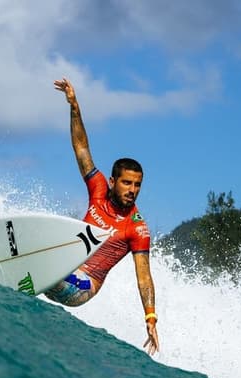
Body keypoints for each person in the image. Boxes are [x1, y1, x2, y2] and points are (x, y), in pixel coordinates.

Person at [45, 78, 160, 356]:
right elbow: (81, 148)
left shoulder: (138, 229)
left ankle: (40, 269)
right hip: (65, 263)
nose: (132, 190)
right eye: (127, 183)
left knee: (55, 270)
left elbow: (144, 276)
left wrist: (151, 318)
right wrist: (74, 106)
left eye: (137, 185)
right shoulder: (97, 189)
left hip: (83, 286)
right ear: (112, 181)